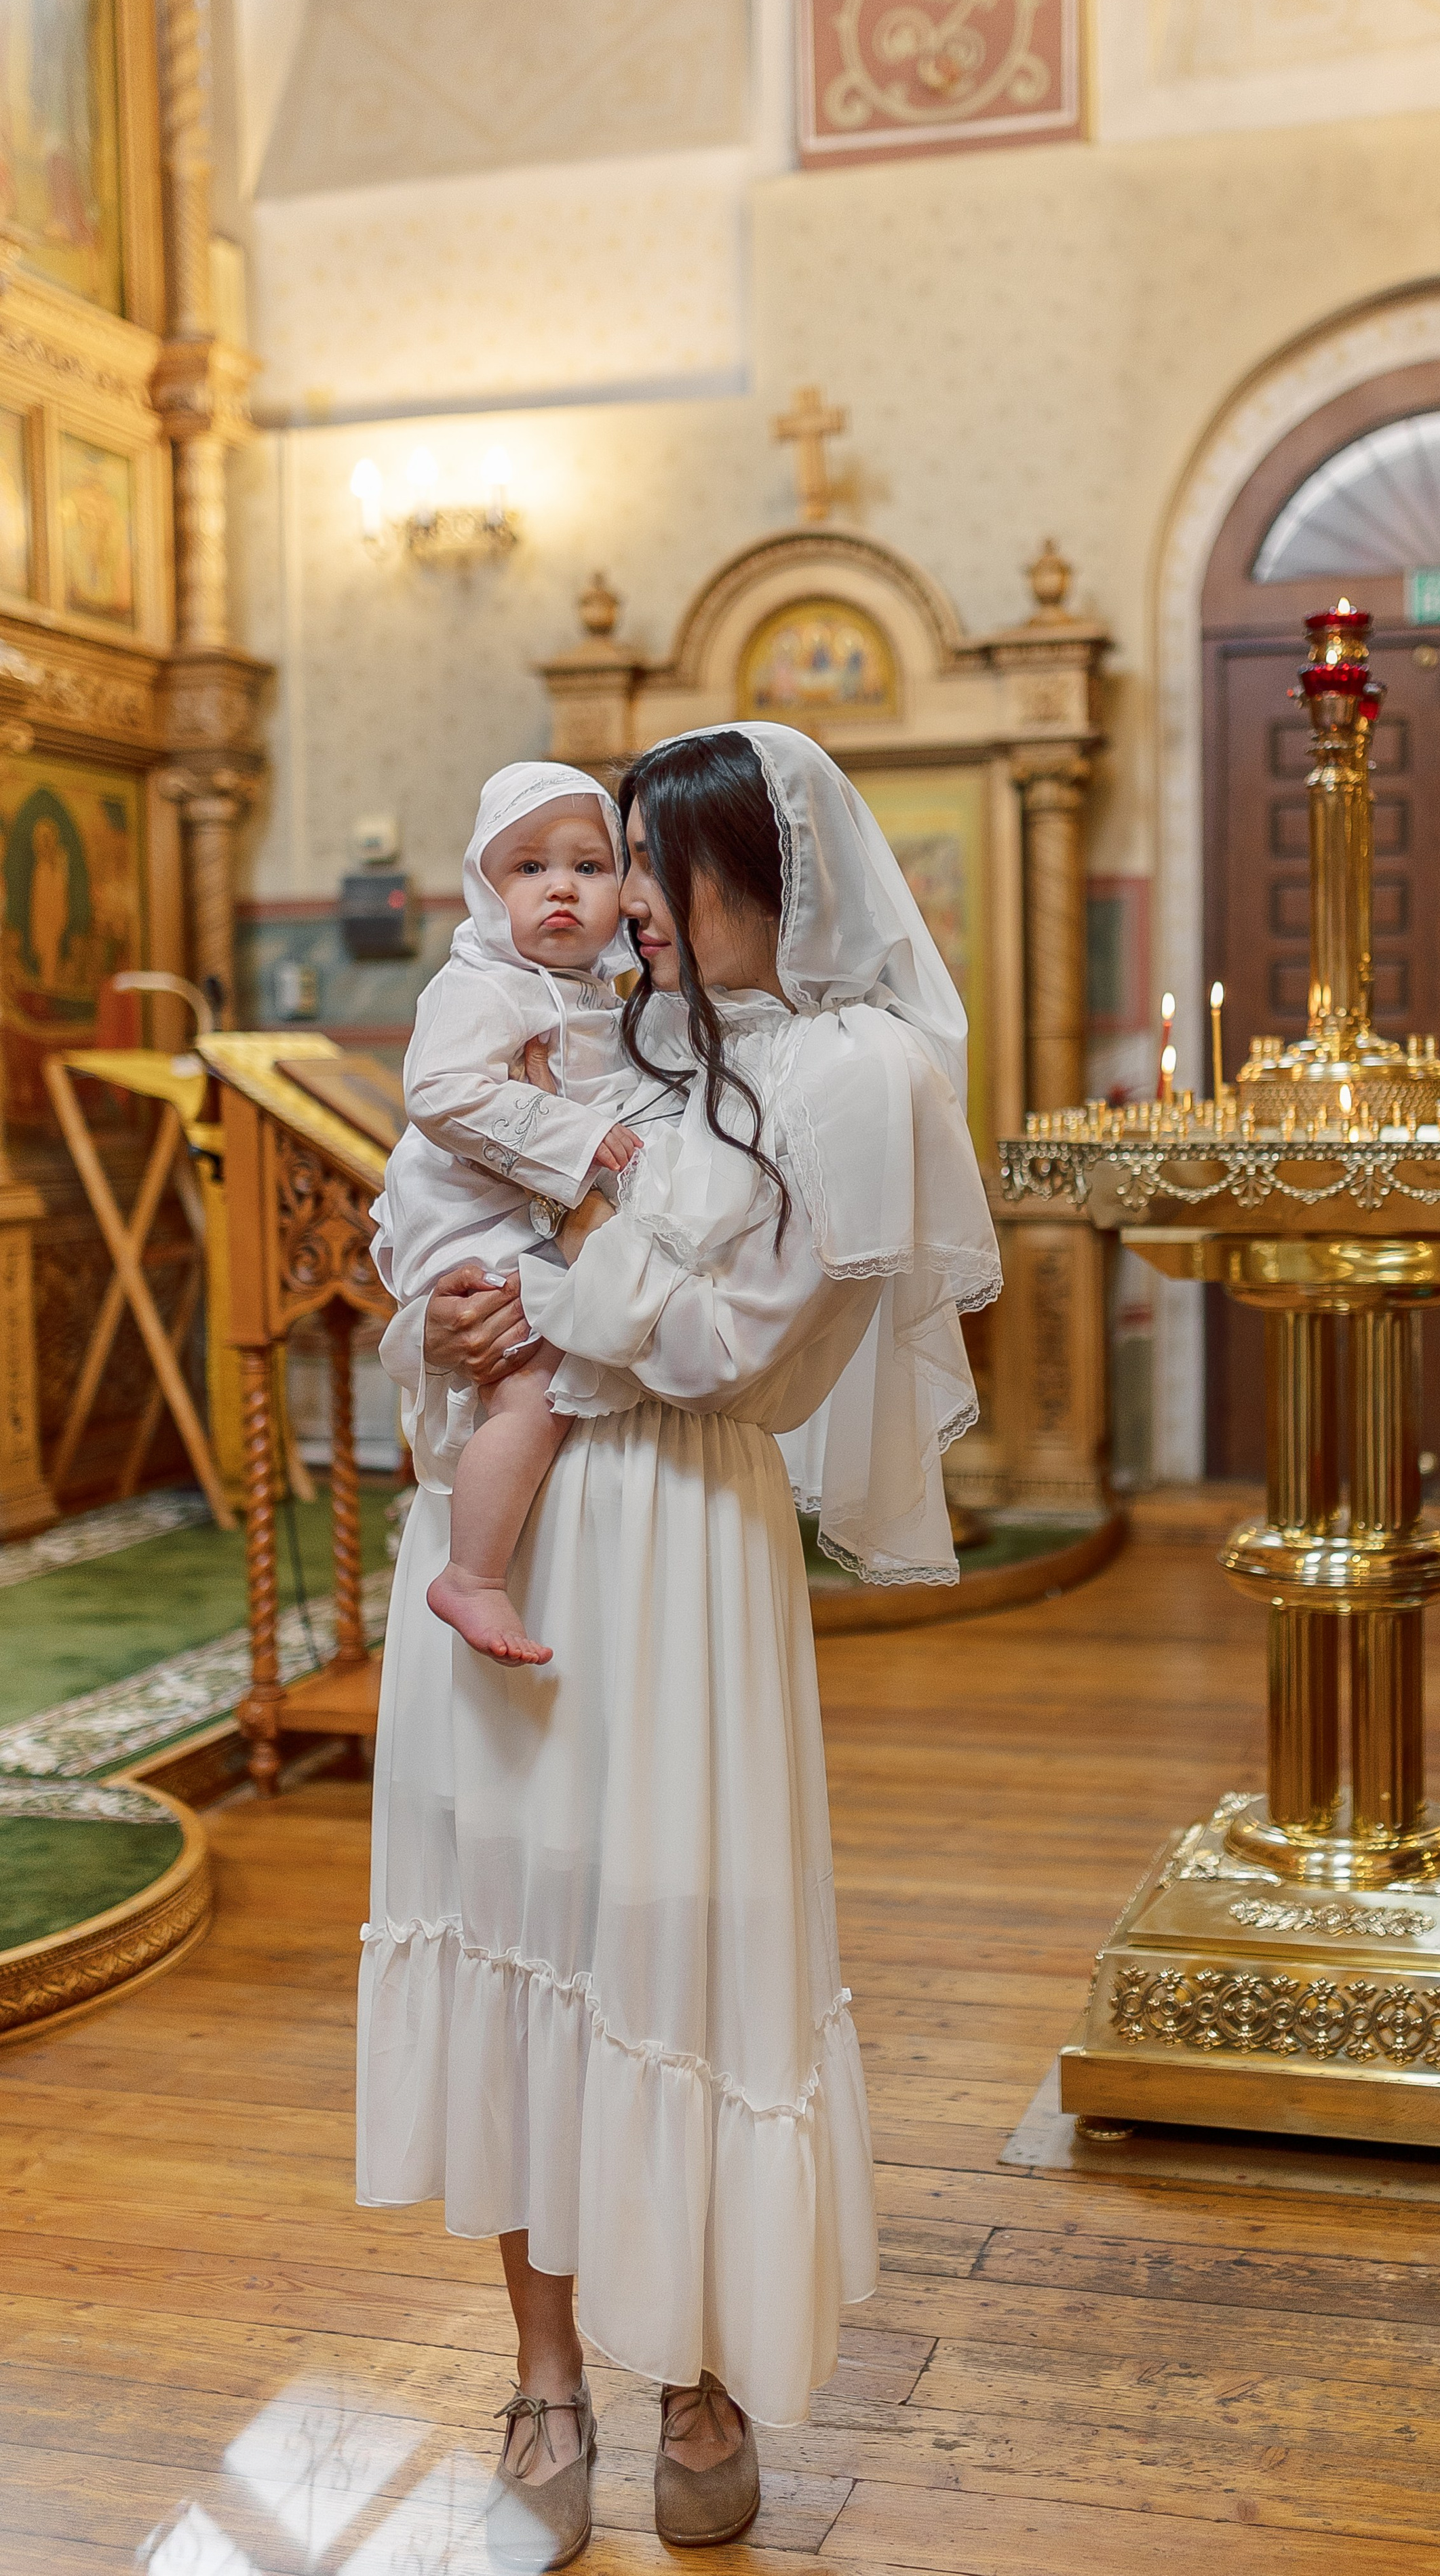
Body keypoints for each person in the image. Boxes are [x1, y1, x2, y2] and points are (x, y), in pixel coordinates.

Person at [359, 724, 1000, 2567]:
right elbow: (459, 1221)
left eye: (655, 863)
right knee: (517, 1934)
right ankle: (545, 2370)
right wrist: (449, 1320)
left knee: (679, 1945)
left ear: (762, 874)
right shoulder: (595, 1024)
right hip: (520, 1522)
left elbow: (752, 1346)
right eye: (612, 860)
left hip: (681, 1542)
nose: (621, 897)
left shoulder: (863, 1074)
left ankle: (697, 2372)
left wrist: (546, 1301)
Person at [372, 763, 644, 1665]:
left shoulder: (609, 992)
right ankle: (474, 1577)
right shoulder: (483, 984)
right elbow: (439, 1092)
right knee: (530, 1388)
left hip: (529, 1220)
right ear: (485, 892)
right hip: (471, 1220)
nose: (560, 886)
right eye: (527, 868)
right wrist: (568, 1135)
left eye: (589, 866)